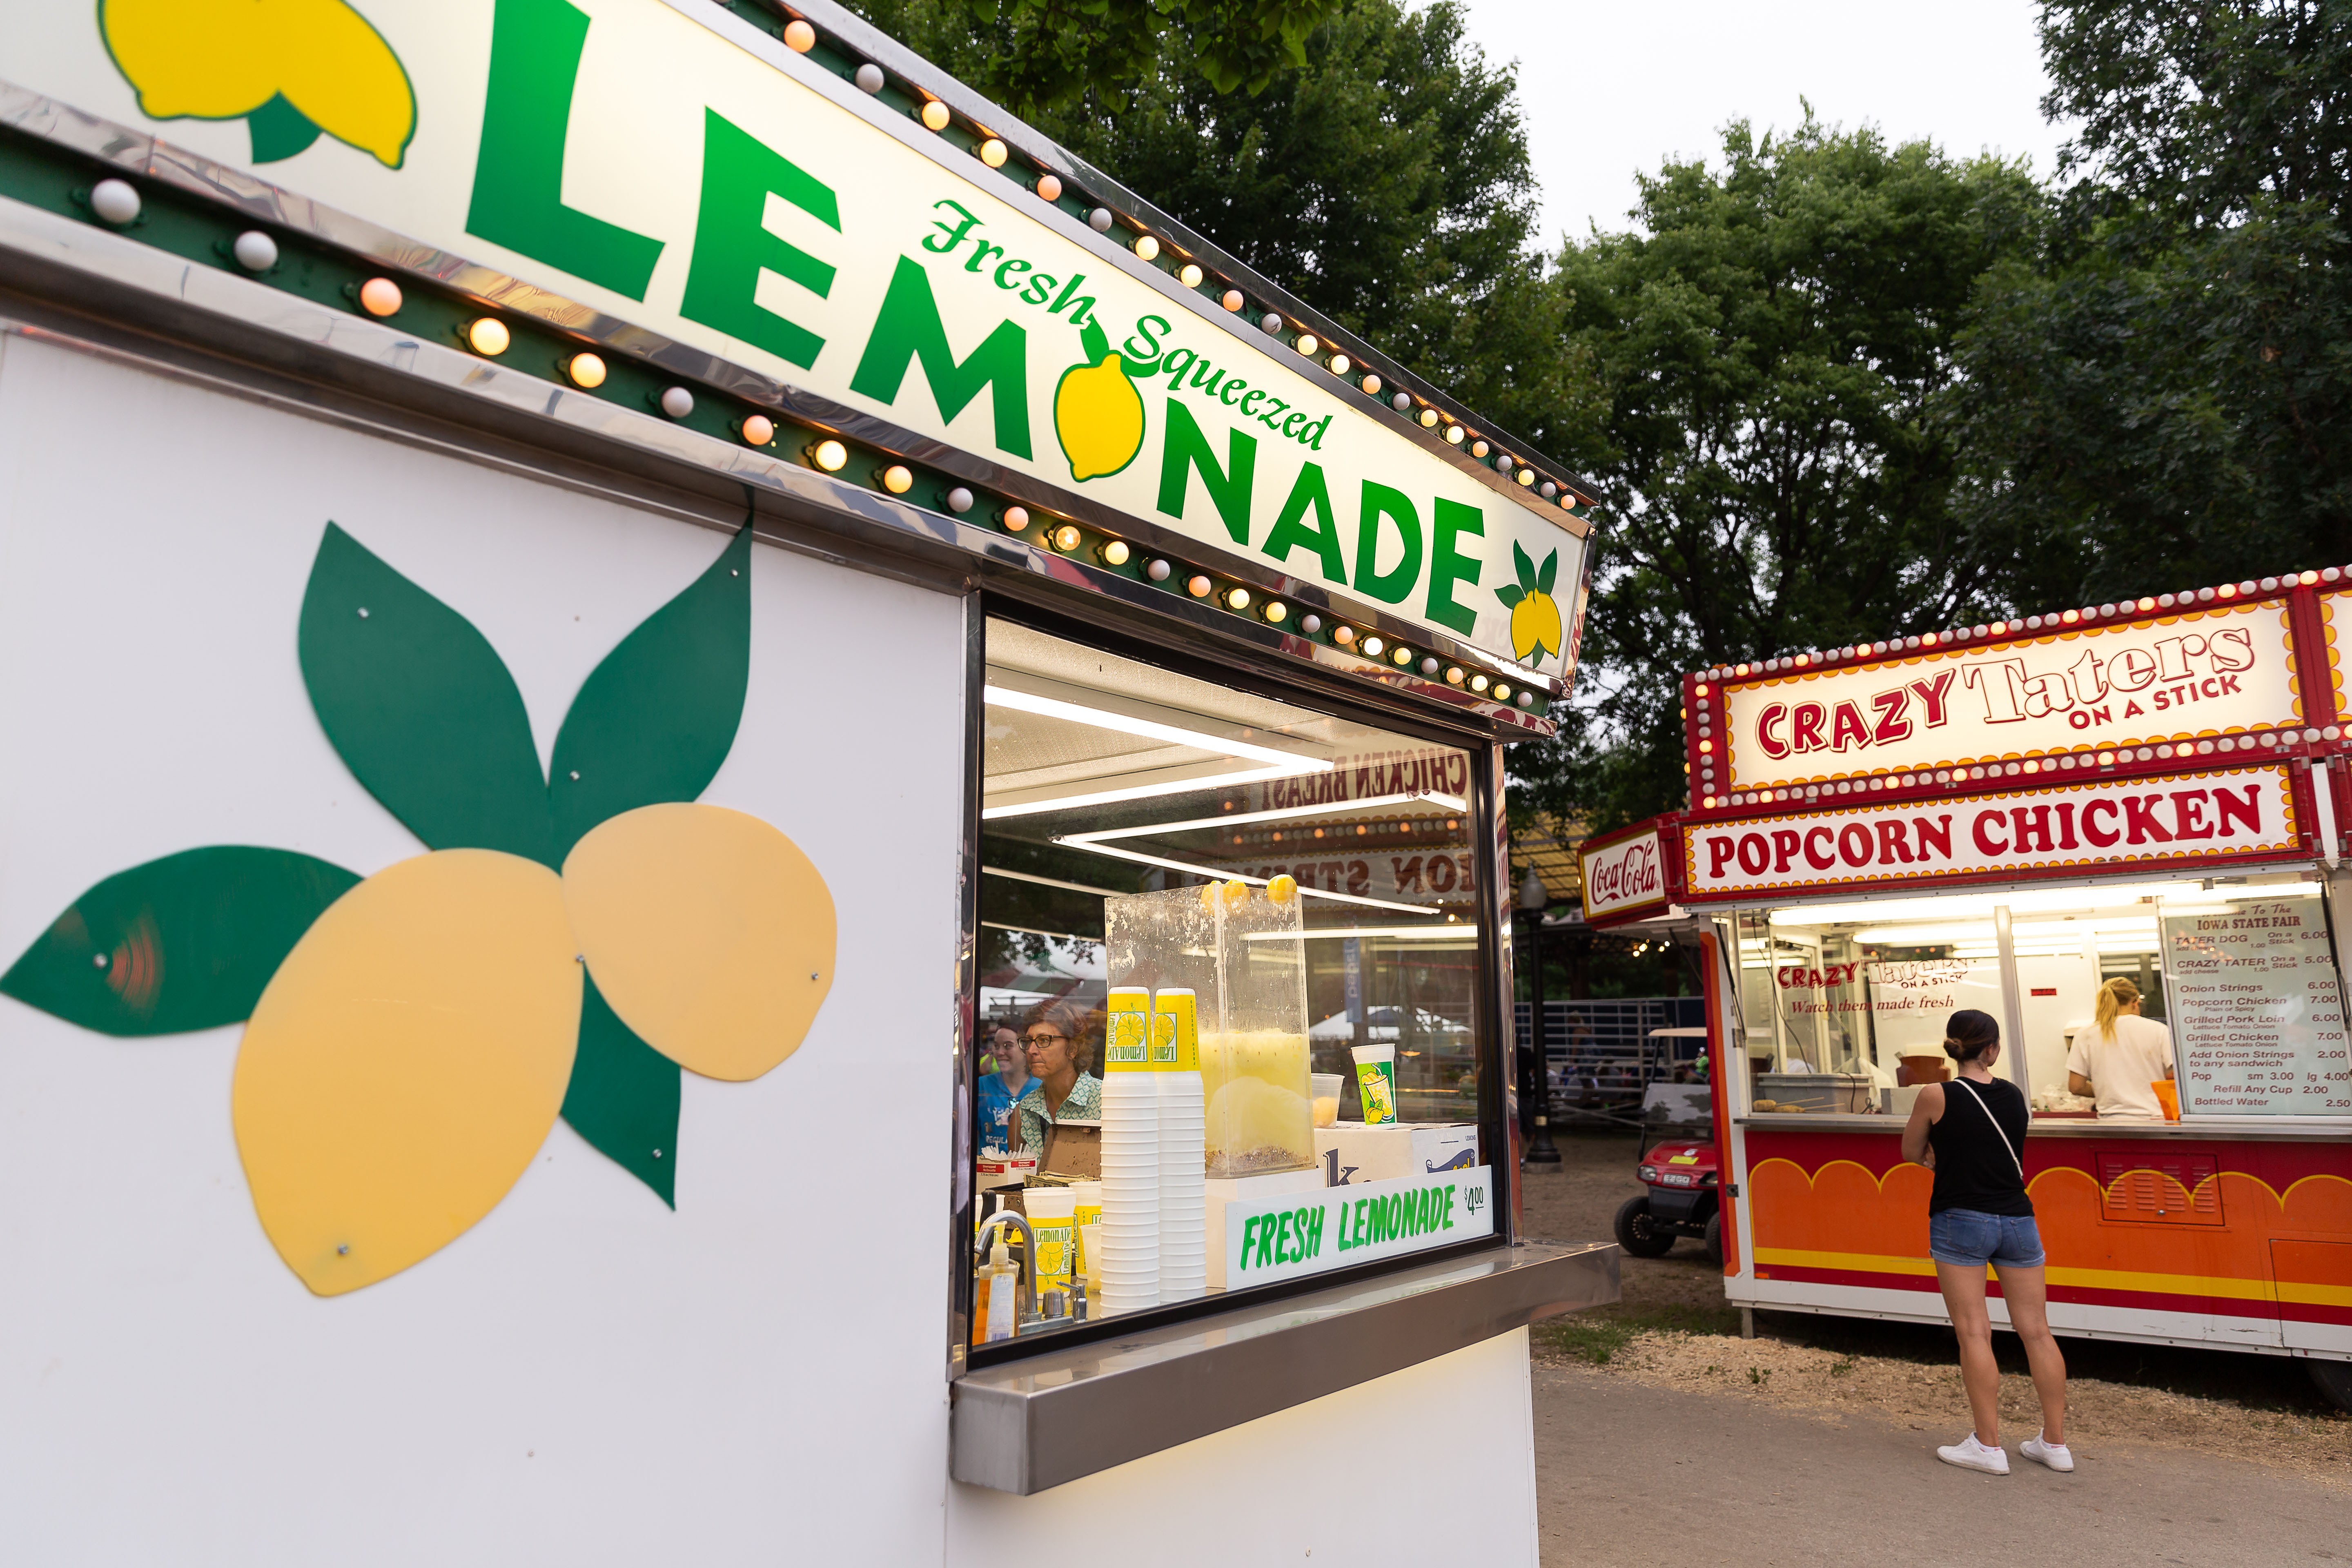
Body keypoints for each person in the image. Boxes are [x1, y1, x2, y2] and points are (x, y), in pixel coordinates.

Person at [1900, 1008, 2071, 1476]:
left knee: (1975, 1331)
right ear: (1992, 1049)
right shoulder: (2015, 1096)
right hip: (2018, 1221)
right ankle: (2055, 1444)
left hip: (1961, 1220)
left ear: (1952, 1048)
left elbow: (1910, 1151)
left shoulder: (1935, 1094)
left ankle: (1989, 1446)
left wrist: (1942, 1160)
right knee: (2037, 1331)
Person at [2067, 977, 2175, 1119]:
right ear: (2136, 1003)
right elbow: (2174, 1077)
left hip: (2111, 1123)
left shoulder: (2085, 1034)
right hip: (2154, 1119)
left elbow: (2076, 1087)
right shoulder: (2159, 1030)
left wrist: (2110, 1090)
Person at [1013, 1000, 1102, 1154]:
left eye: (1044, 1040)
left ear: (1073, 1049)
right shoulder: (1025, 1111)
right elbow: (1016, 1177)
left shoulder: (1105, 1102)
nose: (1031, 1050)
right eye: (1028, 1042)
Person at [974, 1025, 1029, 1151]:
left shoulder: (1041, 1088)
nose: (999, 1053)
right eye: (996, 1046)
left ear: (1025, 1048)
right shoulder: (981, 1086)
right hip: (987, 1168)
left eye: (1008, 1046)